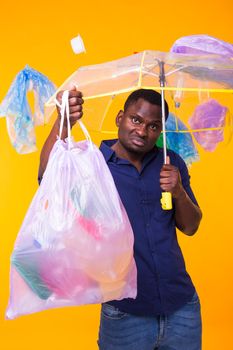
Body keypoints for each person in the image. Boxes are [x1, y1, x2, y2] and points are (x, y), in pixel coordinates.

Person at [38, 87, 202, 350]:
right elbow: (47, 179)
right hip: (126, 313)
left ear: (160, 131)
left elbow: (191, 226)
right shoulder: (93, 162)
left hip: (182, 308)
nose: (142, 131)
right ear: (120, 118)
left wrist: (179, 191)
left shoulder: (170, 162)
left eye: (153, 126)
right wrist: (63, 122)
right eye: (136, 120)